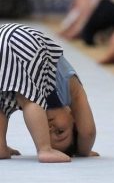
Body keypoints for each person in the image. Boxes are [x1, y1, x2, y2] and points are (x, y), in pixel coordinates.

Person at [0, 23, 96, 162]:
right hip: (21, 40)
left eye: (47, 133)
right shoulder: (71, 89)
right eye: (60, 131)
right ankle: (44, 149)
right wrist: (84, 152)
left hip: (4, 34)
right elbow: (88, 132)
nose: (50, 127)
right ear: (74, 119)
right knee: (29, 99)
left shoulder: (24, 87)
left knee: (3, 104)